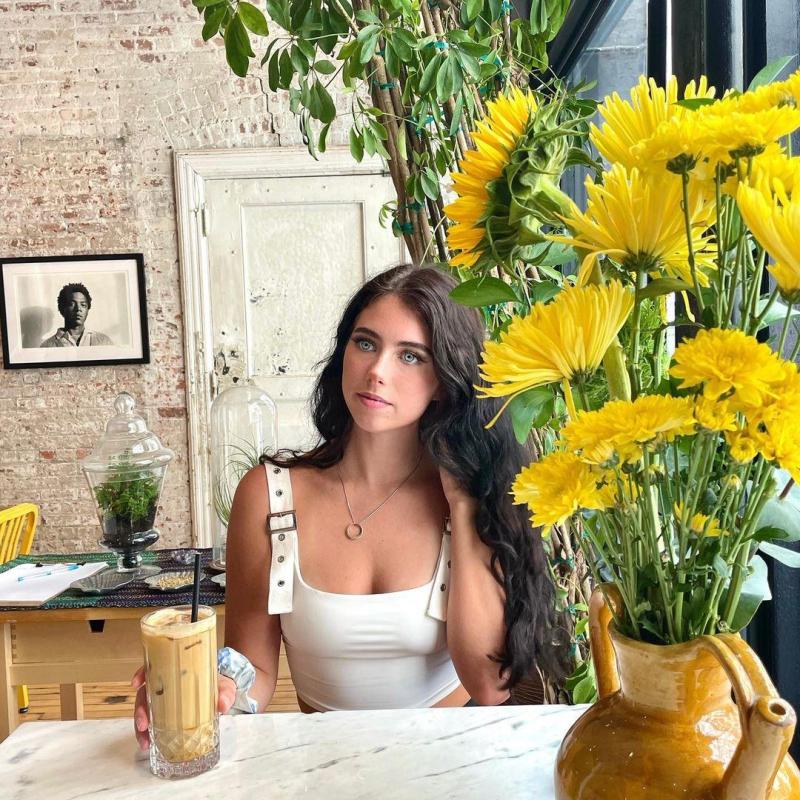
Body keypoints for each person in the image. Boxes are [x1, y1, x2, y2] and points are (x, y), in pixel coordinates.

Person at [133, 265, 570, 748]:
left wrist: (464, 504)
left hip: (452, 760)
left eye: (411, 356)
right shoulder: (269, 496)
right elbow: (253, 666)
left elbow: (487, 686)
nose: (377, 370)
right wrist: (210, 686)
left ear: (446, 379)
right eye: (365, 343)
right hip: (324, 765)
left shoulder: (475, 496)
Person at [39, 282, 114, 347]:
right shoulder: (47, 346)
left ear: (88, 309)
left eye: (83, 305)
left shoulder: (104, 341)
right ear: (62, 308)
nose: (78, 309)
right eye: (72, 304)